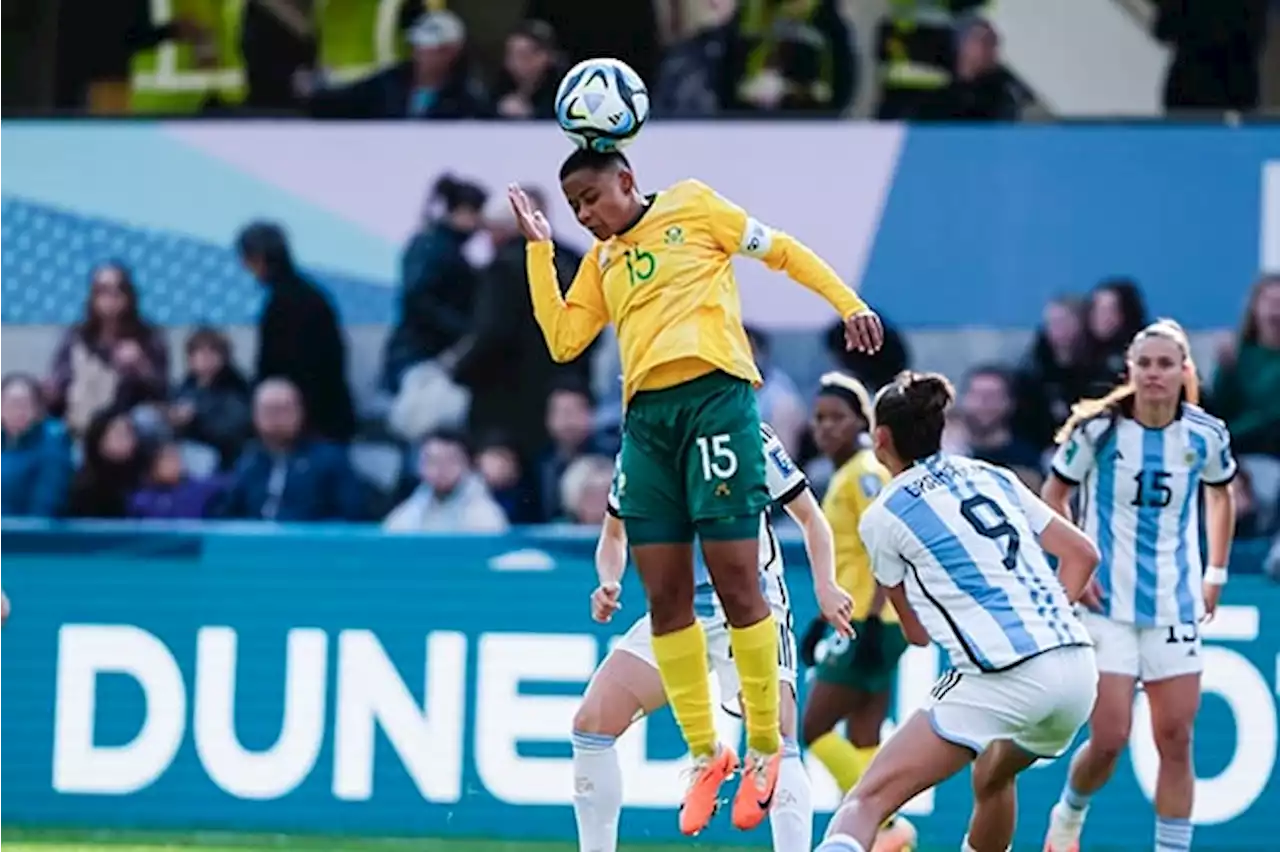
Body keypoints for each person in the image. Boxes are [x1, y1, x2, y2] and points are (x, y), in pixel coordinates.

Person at [508, 148, 883, 834]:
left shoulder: (693, 205)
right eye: (575, 209)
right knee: (663, 601)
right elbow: (564, 340)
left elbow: (783, 252)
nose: (586, 216)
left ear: (627, 179)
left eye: (593, 198)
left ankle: (764, 747)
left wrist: (847, 302)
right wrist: (540, 254)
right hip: (647, 419)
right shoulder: (600, 261)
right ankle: (711, 751)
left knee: (744, 589)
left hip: (716, 400)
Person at [817, 371, 1102, 852]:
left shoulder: (883, 515)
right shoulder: (994, 475)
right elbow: (1083, 555)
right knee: (991, 776)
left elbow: (918, 635)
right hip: (1076, 671)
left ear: (880, 438)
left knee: (864, 802)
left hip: (1004, 674)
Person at [571, 423, 853, 852]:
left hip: (752, 609)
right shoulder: (640, 446)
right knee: (591, 723)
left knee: (779, 741)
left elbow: (811, 517)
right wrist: (608, 579)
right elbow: (614, 533)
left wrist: (825, 585)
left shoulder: (745, 433)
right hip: (678, 613)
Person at [1042, 320, 1238, 852]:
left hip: (1174, 606)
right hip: (1107, 606)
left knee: (1176, 739)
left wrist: (1214, 573)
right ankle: (1068, 815)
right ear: (1130, 370)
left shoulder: (1205, 435)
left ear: (1183, 371)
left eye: (1165, 364)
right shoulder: (1099, 432)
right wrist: (1077, 568)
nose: (1154, 374)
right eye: (1145, 364)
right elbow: (1051, 497)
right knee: (1108, 739)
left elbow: (1222, 497)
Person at [798, 373, 914, 852]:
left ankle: (888, 827)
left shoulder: (864, 473)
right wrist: (822, 620)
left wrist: (867, 617)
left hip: (873, 620)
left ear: (862, 423)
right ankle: (889, 840)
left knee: (812, 728)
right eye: (820, 418)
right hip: (869, 618)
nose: (826, 428)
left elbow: (890, 541)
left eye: (837, 418)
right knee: (864, 732)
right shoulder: (849, 473)